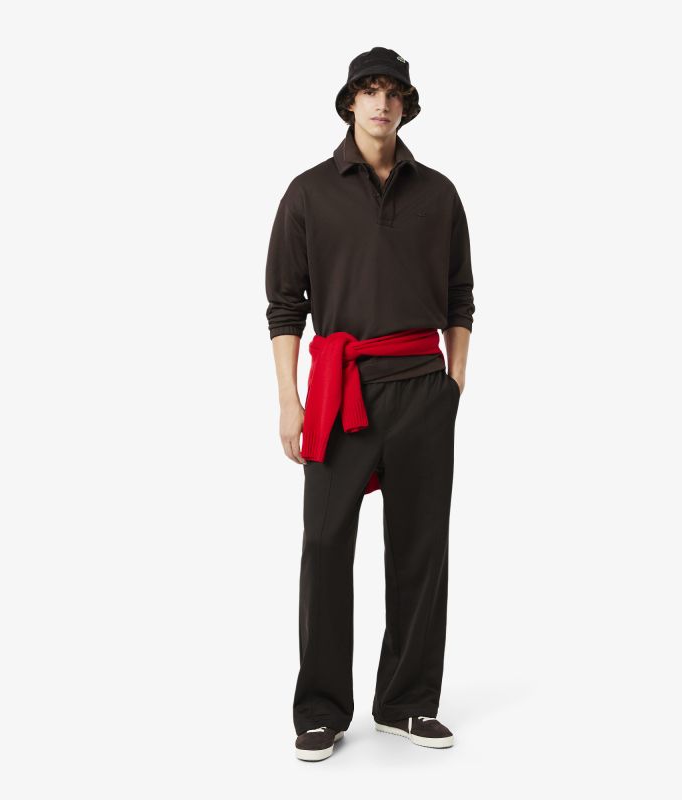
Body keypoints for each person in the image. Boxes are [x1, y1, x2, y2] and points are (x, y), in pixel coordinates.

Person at [265, 46, 475, 761]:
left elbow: (460, 297)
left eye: (393, 92)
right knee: (326, 546)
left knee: (420, 547)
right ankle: (321, 709)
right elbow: (285, 305)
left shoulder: (440, 194)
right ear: (350, 103)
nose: (382, 102)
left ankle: (407, 703)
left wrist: (454, 385)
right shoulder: (308, 193)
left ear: (407, 106)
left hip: (422, 388)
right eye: (369, 90)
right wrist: (289, 400)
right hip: (338, 390)